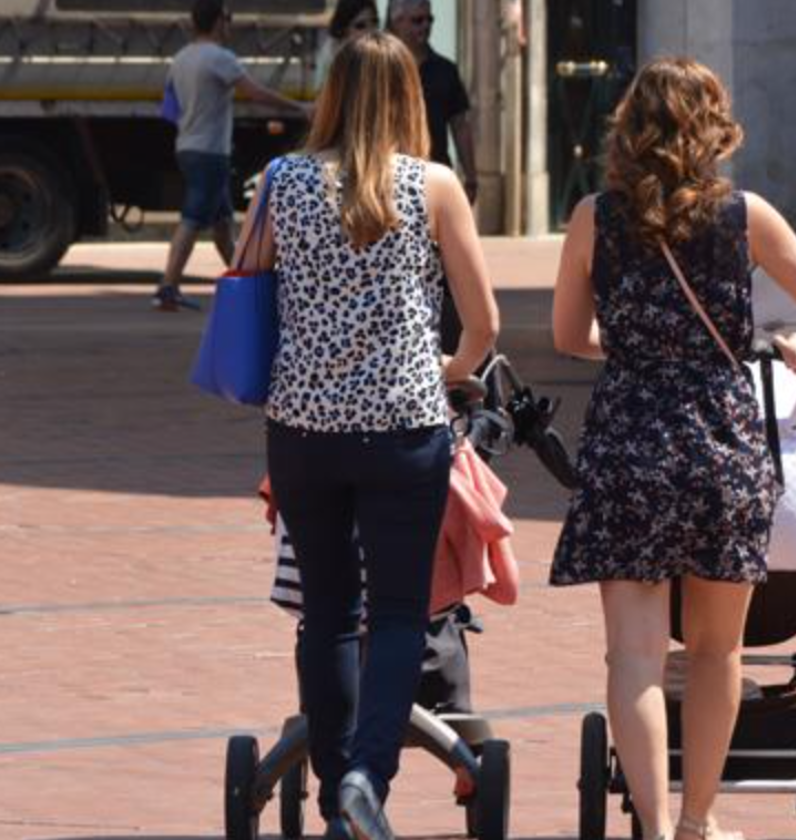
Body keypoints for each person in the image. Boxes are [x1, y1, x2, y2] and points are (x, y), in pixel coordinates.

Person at [549, 58, 796, 840]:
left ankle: (650, 827)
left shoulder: (593, 216)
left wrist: (638, 340)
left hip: (627, 439)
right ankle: (697, 821)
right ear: (711, 126)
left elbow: (566, 337)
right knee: (718, 654)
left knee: (634, 659)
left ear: (630, 126)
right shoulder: (746, 216)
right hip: (721, 442)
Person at [232, 31, 498, 840]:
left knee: (326, 614)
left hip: (304, 430)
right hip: (402, 427)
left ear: (332, 94)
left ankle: (330, 789)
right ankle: (363, 780)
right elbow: (483, 324)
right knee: (396, 614)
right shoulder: (435, 186)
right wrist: (446, 370)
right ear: (409, 98)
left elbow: (245, 281)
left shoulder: (283, 182)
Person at [154, 0, 310, 312]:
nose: (230, 25)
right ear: (218, 22)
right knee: (193, 218)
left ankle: (246, 283)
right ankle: (167, 287)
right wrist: (299, 108)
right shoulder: (220, 58)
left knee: (223, 223)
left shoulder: (181, 58)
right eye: (228, 18)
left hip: (187, 145)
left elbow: (170, 107)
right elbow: (255, 93)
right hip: (210, 150)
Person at [387, 0, 478, 204]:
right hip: (389, 179)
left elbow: (460, 125)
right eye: (417, 20)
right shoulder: (381, 69)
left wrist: (471, 178)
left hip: (434, 177)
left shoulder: (446, 70)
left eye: (429, 19)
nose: (425, 26)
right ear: (397, 21)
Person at [316, 0, 381, 84]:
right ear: (344, 29)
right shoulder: (333, 57)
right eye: (360, 26)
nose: (370, 31)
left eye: (374, 22)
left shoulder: (378, 54)